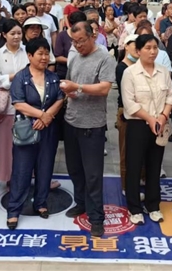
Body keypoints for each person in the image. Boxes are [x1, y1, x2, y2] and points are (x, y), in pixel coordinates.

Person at [59, 21, 116, 238]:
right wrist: (70, 91)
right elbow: (72, 83)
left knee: (93, 174)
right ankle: (81, 202)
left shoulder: (104, 58)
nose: (77, 45)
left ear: (93, 35)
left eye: (81, 41)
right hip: (71, 121)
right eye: (74, 42)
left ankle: (96, 218)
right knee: (74, 169)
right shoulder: (75, 58)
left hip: (92, 125)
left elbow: (104, 88)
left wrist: (78, 87)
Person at [7, 38, 65, 229]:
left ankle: (41, 203)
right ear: (30, 56)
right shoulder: (20, 78)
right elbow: (18, 103)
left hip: (48, 130)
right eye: (40, 53)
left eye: (46, 53)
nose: (44, 57)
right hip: (26, 129)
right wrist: (42, 115)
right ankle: (14, 210)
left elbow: (60, 99)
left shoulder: (53, 77)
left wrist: (47, 117)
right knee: (21, 170)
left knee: (45, 167)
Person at [121, 34, 172, 225]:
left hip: (160, 124)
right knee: (134, 166)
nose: (152, 52)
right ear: (138, 51)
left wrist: (162, 117)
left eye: (155, 48)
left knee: (155, 165)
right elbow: (130, 103)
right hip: (138, 125)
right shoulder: (130, 73)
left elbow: (170, 98)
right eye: (148, 48)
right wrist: (150, 119)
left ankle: (153, 205)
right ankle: (134, 208)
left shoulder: (163, 72)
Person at [0, 19, 26, 185]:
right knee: (5, 145)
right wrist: (12, 77)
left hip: (27, 105)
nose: (16, 37)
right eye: (12, 33)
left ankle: (26, 177)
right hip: (6, 106)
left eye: (19, 33)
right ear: (4, 35)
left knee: (26, 144)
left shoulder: (27, 52)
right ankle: (9, 179)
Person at [115, 34, 138, 193]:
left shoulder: (141, 65)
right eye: (133, 44)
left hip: (142, 112)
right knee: (126, 150)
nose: (137, 48)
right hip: (126, 111)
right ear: (126, 46)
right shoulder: (122, 68)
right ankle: (125, 185)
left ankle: (140, 179)